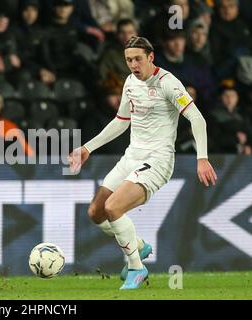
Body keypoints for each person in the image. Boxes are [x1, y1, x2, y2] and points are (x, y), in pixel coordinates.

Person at [69, 36, 217, 290]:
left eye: (138, 59)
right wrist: (87, 148)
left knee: (114, 207)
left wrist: (201, 157)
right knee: (96, 212)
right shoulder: (129, 82)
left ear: (151, 57)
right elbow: (121, 121)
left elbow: (197, 118)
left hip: (158, 160)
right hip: (132, 156)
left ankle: (136, 267)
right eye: (129, 60)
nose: (133, 65)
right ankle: (138, 246)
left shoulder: (168, 83)